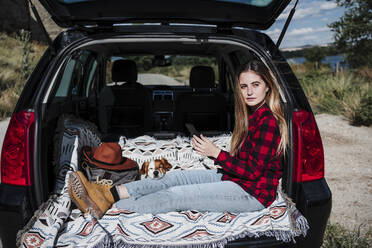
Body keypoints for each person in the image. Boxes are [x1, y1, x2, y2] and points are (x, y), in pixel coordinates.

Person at [68, 60, 288, 219]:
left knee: (175, 194)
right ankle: (107, 194)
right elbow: (247, 165)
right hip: (238, 181)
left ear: (268, 86)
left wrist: (216, 154)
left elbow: (253, 173)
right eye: (243, 86)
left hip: (252, 194)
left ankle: (112, 209)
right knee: (174, 178)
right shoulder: (253, 117)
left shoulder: (268, 121)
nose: (249, 92)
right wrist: (220, 156)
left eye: (255, 85)